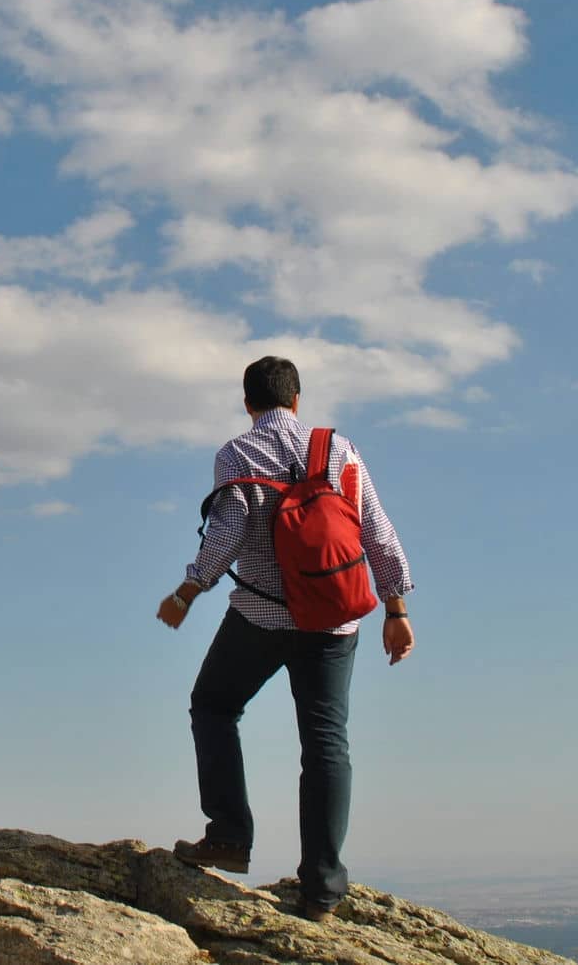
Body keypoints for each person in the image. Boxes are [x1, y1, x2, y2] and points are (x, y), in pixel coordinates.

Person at [156, 355, 415, 920]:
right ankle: (322, 889)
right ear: (297, 400)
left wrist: (185, 594)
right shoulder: (338, 450)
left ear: (248, 404)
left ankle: (228, 834)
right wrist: (395, 607)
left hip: (261, 616)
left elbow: (226, 536)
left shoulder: (238, 453)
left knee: (214, 706)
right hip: (334, 621)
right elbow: (377, 529)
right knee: (325, 745)